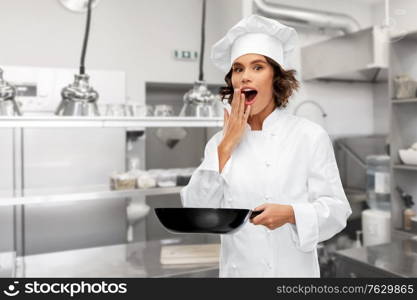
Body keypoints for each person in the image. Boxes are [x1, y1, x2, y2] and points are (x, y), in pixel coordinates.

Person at [180, 14, 352, 277]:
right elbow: (196, 210)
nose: (245, 77)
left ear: (276, 79)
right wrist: (227, 145)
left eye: (257, 67)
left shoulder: (309, 136)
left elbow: (338, 212)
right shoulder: (219, 142)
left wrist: (292, 214)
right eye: (238, 69)